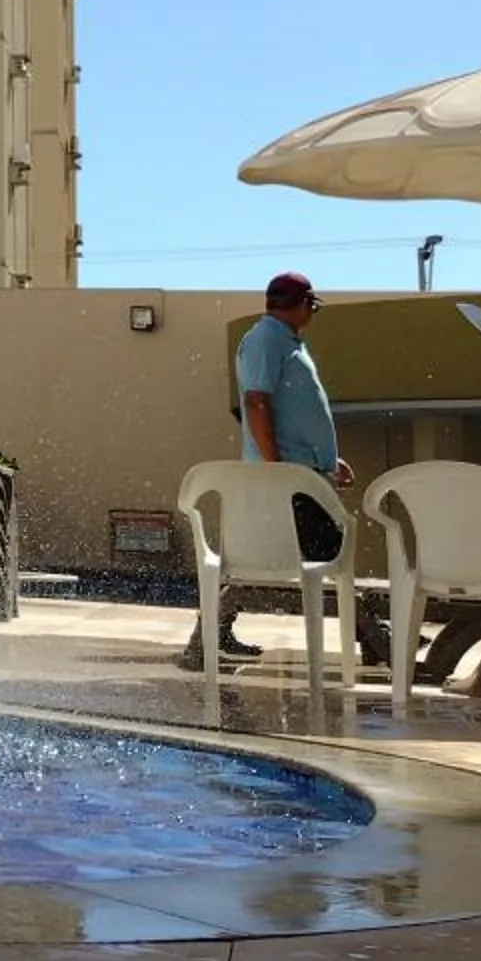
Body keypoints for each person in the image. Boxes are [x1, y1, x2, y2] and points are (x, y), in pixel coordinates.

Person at [179, 272, 390, 672]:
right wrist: (276, 469)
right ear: (303, 302)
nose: (313, 312)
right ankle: (374, 637)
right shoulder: (266, 340)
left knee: (320, 554)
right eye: (312, 305)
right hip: (287, 481)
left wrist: (327, 461)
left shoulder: (285, 341)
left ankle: (373, 635)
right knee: (325, 556)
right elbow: (256, 403)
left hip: (302, 474)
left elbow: (294, 411)